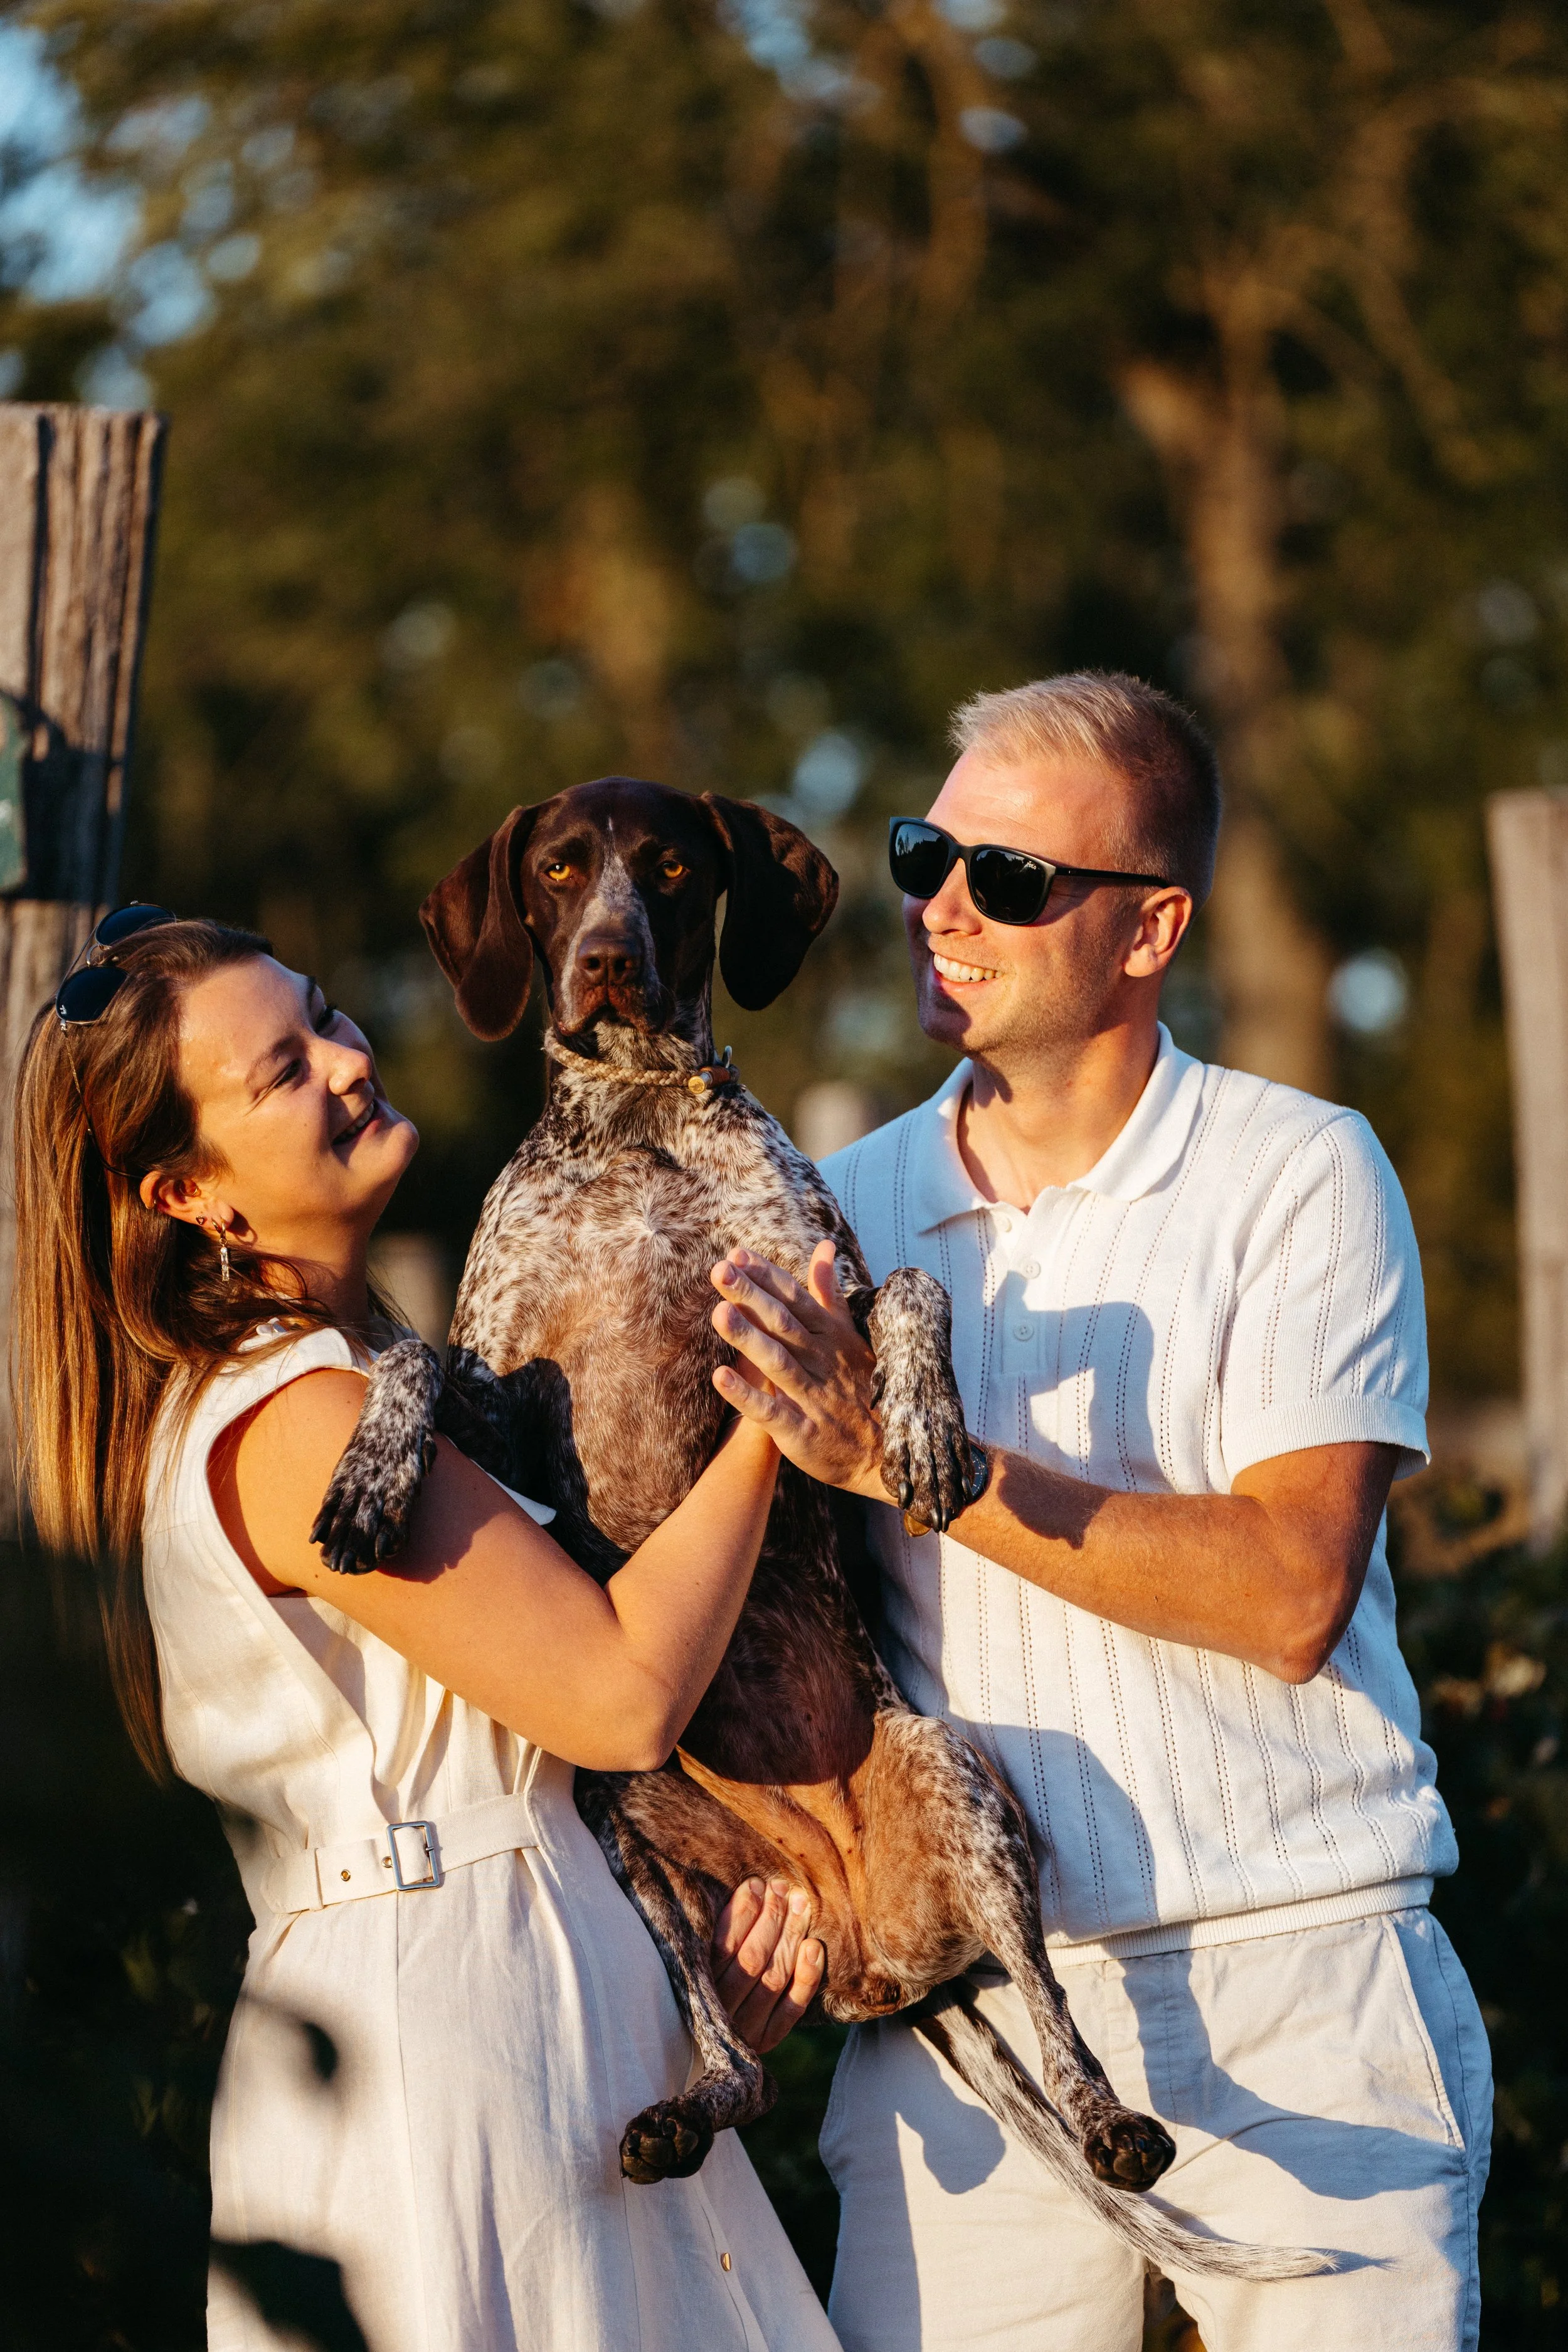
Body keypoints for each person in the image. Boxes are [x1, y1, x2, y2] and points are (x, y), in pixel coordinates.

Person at [706, 674, 1491, 2352]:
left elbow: (1290, 1588)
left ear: (1147, 932)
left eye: (1006, 877)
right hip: (966, 2029)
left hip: (1298, 1979)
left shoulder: (1299, 1168)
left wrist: (915, 1453)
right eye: (929, 855)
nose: (940, 907)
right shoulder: (834, 1208)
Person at [14, 909, 840, 2352]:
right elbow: (623, 1691)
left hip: (520, 1974)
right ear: (189, 1192)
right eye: (283, 1069)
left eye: (326, 1015)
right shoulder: (298, 1422)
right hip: (442, 2033)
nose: (346, 1057)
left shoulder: (350, 1384)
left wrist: (687, 2019)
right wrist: (784, 1404)